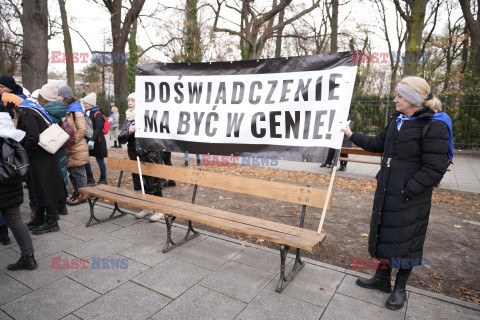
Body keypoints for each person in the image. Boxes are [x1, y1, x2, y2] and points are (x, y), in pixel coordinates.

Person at [341, 76, 452, 310]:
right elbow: (377, 144)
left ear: (413, 99)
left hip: (411, 196)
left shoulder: (435, 125)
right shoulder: (397, 120)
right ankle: (382, 279)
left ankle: (400, 288)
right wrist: (351, 135)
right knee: (385, 232)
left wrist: (408, 190)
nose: (395, 99)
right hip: (387, 191)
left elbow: (435, 168)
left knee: (408, 241)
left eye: (400, 96)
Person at [2, 91, 67, 235]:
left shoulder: (27, 112)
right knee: (40, 188)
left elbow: (32, 136)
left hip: (41, 157)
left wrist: (25, 155)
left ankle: (51, 221)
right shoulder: (32, 108)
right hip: (44, 156)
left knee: (45, 188)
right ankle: (40, 217)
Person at [0, 98, 37, 270]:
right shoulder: (11, 138)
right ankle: (28, 257)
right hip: (12, 185)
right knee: (15, 219)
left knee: (14, 220)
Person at [119, 93, 164, 222]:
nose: (129, 103)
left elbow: (156, 137)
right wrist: (129, 132)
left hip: (150, 157)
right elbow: (121, 138)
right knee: (140, 183)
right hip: (134, 157)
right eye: (128, 101)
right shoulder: (128, 118)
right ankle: (147, 207)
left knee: (153, 182)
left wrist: (144, 148)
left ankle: (159, 210)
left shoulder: (147, 116)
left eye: (132, 100)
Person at [39, 83, 69, 216]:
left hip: (50, 146)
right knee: (62, 174)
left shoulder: (46, 112)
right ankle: (63, 206)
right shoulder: (60, 109)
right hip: (60, 146)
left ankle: (56, 208)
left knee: (53, 178)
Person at [57, 85, 90, 206]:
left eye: (59, 95)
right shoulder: (67, 108)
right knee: (72, 172)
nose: (57, 97)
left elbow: (82, 129)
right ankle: (77, 192)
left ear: (64, 96)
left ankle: (83, 194)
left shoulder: (76, 109)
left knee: (79, 172)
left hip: (76, 147)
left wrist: (72, 142)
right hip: (69, 147)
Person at [83, 92, 108, 185]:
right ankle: (90, 177)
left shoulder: (98, 114)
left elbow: (98, 129)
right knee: (85, 159)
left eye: (86, 103)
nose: (84, 105)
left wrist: (92, 140)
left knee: (100, 160)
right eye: (84, 103)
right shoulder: (86, 113)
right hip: (89, 140)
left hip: (98, 141)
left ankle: (103, 179)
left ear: (91, 104)